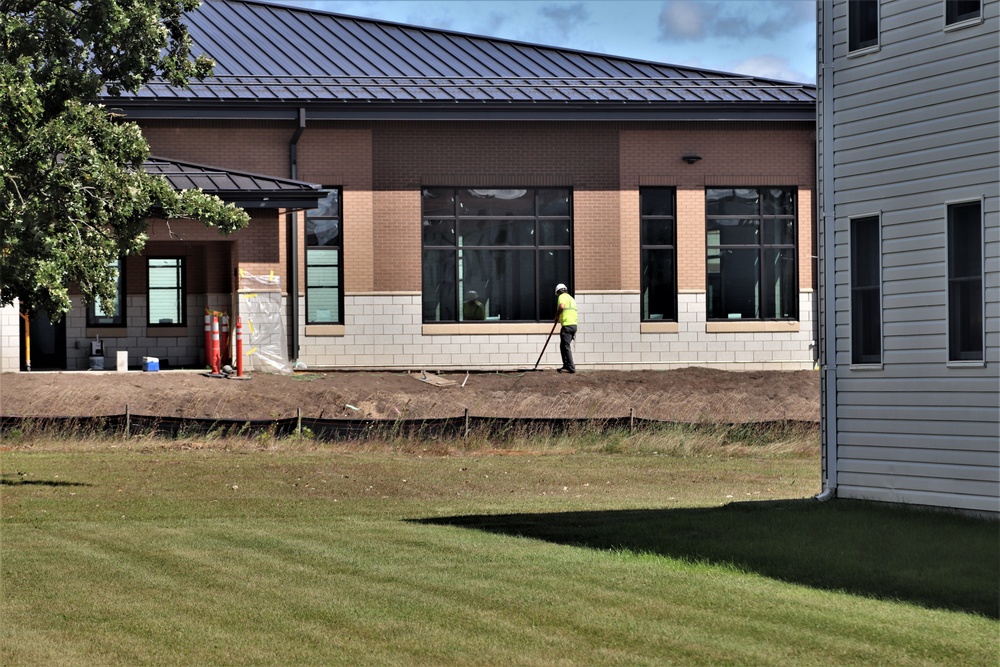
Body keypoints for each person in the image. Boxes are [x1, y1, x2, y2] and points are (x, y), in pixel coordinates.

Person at [553, 283, 577, 373]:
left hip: (567, 325)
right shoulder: (571, 298)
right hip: (573, 325)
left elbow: (562, 306)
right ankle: (566, 365)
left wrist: (557, 316)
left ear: (559, 291)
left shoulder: (562, 296)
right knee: (564, 345)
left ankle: (570, 367)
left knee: (565, 346)